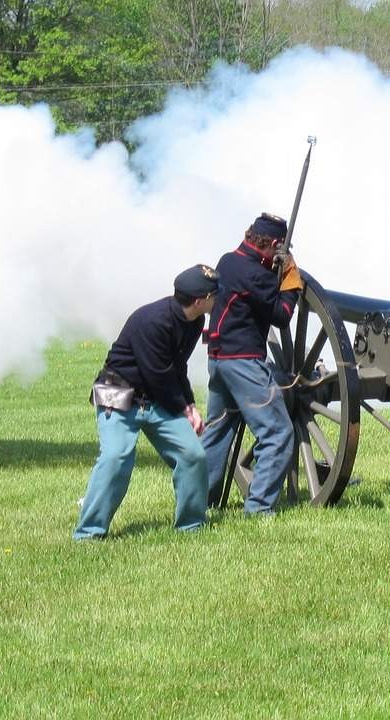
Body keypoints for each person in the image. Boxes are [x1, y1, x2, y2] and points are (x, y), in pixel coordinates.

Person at [74, 264, 219, 540]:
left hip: (156, 399)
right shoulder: (153, 320)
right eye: (215, 295)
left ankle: (191, 526)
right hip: (118, 394)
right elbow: (159, 375)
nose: (218, 299)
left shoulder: (194, 321)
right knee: (116, 457)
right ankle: (89, 533)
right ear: (200, 301)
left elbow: (177, 368)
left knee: (193, 455)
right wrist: (184, 409)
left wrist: (189, 405)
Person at [201, 213, 303, 516]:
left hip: (218, 360)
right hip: (243, 363)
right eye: (281, 248)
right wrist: (290, 279)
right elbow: (282, 315)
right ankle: (258, 508)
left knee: (217, 432)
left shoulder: (228, 261)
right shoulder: (256, 275)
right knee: (278, 433)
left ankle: (199, 501)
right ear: (274, 243)